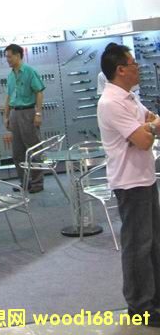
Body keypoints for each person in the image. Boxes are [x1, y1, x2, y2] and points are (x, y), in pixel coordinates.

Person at [97, 43, 160, 326]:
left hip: (145, 178)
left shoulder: (130, 98)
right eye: (133, 64)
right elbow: (145, 139)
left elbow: (152, 126)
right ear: (121, 70)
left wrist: (149, 127)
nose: (138, 68)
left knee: (154, 242)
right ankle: (140, 306)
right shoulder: (111, 102)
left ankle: (154, 298)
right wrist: (149, 128)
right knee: (137, 246)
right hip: (130, 183)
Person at [3, 44, 45, 193]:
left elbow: (39, 92)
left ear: (18, 55)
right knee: (17, 152)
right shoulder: (10, 75)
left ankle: (38, 183)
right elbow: (9, 96)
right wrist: (6, 116)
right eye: (6, 57)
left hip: (28, 112)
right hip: (15, 113)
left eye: (9, 56)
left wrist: (38, 113)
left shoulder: (29, 71)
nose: (7, 59)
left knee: (33, 149)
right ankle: (25, 182)